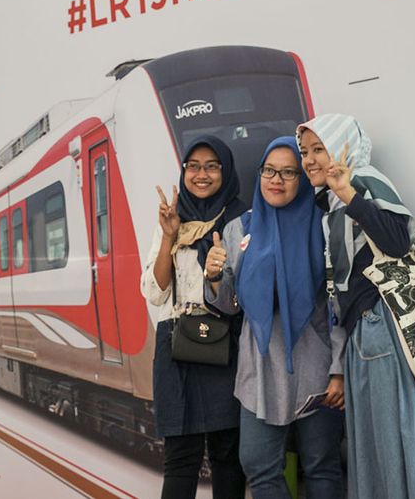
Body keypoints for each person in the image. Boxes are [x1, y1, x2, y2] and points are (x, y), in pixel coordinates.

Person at [297, 113, 415, 498]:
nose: (308, 159)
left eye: (318, 149)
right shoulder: (330, 204)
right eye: (304, 151)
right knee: (386, 447)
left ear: (343, 147)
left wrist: (350, 195)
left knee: (404, 444)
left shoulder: (363, 181)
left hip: (384, 332)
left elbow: (397, 242)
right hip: (366, 335)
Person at [205, 136, 346, 499]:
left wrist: (339, 368)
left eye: (288, 172)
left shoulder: (323, 225)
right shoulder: (241, 229)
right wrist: (214, 277)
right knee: (258, 465)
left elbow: (339, 302)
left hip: (316, 367)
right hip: (260, 368)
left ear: (302, 179)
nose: (276, 180)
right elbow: (228, 306)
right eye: (269, 170)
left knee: (321, 466)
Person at [140, 136, 247, 499]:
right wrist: (170, 238)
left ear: (226, 170)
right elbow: (155, 293)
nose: (202, 174)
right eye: (194, 166)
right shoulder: (172, 220)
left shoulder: (242, 219)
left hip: (226, 344)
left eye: (212, 166)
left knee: (227, 456)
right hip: (177, 345)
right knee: (180, 458)